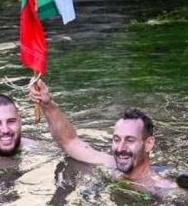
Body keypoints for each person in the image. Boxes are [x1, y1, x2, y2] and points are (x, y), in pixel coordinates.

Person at [29, 81, 173, 189]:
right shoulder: (109, 165)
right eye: (116, 140)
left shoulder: (162, 188)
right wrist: (47, 104)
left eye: (130, 140)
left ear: (148, 144)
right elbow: (69, 141)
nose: (120, 148)